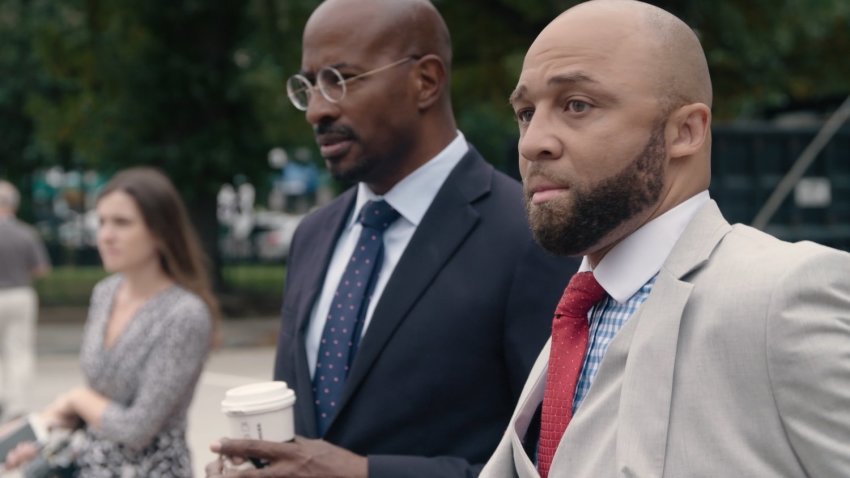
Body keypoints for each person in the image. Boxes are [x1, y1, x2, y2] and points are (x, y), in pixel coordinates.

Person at [207, 0, 578, 476]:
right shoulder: (312, 236)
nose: (316, 110)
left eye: (339, 81)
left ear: (425, 81)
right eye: (309, 86)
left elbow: (555, 462)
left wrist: (365, 473)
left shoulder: (529, 235)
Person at [481, 1, 850, 477]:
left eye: (577, 105)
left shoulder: (783, 294)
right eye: (526, 112)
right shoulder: (581, 309)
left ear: (686, 132)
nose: (533, 143)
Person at [4, 167, 218, 477]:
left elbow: (137, 428)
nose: (105, 235)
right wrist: (45, 425)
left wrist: (76, 399)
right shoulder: (105, 293)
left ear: (159, 231)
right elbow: (104, 402)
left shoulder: (185, 314)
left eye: (122, 223)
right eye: (101, 221)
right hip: (90, 465)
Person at [0, 180, 51, 421]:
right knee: (19, 350)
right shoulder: (26, 233)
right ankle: (17, 405)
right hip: (20, 293)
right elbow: (41, 269)